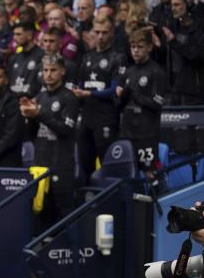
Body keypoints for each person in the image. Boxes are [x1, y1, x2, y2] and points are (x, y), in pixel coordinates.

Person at [20, 54, 80, 220]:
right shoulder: (39, 97)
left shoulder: (70, 97)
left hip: (62, 165)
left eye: (53, 70)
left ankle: (69, 246)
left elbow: (65, 130)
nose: (48, 74)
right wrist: (28, 117)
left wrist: (39, 113)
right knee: (40, 214)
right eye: (45, 70)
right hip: (40, 165)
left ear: (62, 71)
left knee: (63, 215)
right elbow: (31, 135)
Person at [72, 16, 126, 179]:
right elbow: (80, 84)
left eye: (104, 32)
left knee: (107, 165)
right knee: (84, 166)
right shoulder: (87, 57)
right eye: (97, 32)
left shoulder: (118, 57)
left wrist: (89, 93)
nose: (100, 36)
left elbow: (114, 89)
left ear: (112, 33)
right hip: (86, 118)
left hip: (106, 118)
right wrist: (77, 92)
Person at [117, 29, 168, 179]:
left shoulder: (156, 71)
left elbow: (157, 103)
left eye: (140, 47)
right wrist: (121, 96)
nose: (136, 51)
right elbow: (119, 104)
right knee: (126, 174)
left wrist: (133, 94)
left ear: (149, 48)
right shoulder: (128, 72)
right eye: (133, 47)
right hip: (126, 132)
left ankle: (155, 202)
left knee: (149, 174)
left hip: (146, 134)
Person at [8, 21, 44, 97]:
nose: (14, 38)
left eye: (18, 34)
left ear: (29, 35)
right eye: (14, 34)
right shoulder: (14, 58)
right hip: (13, 101)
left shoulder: (41, 57)